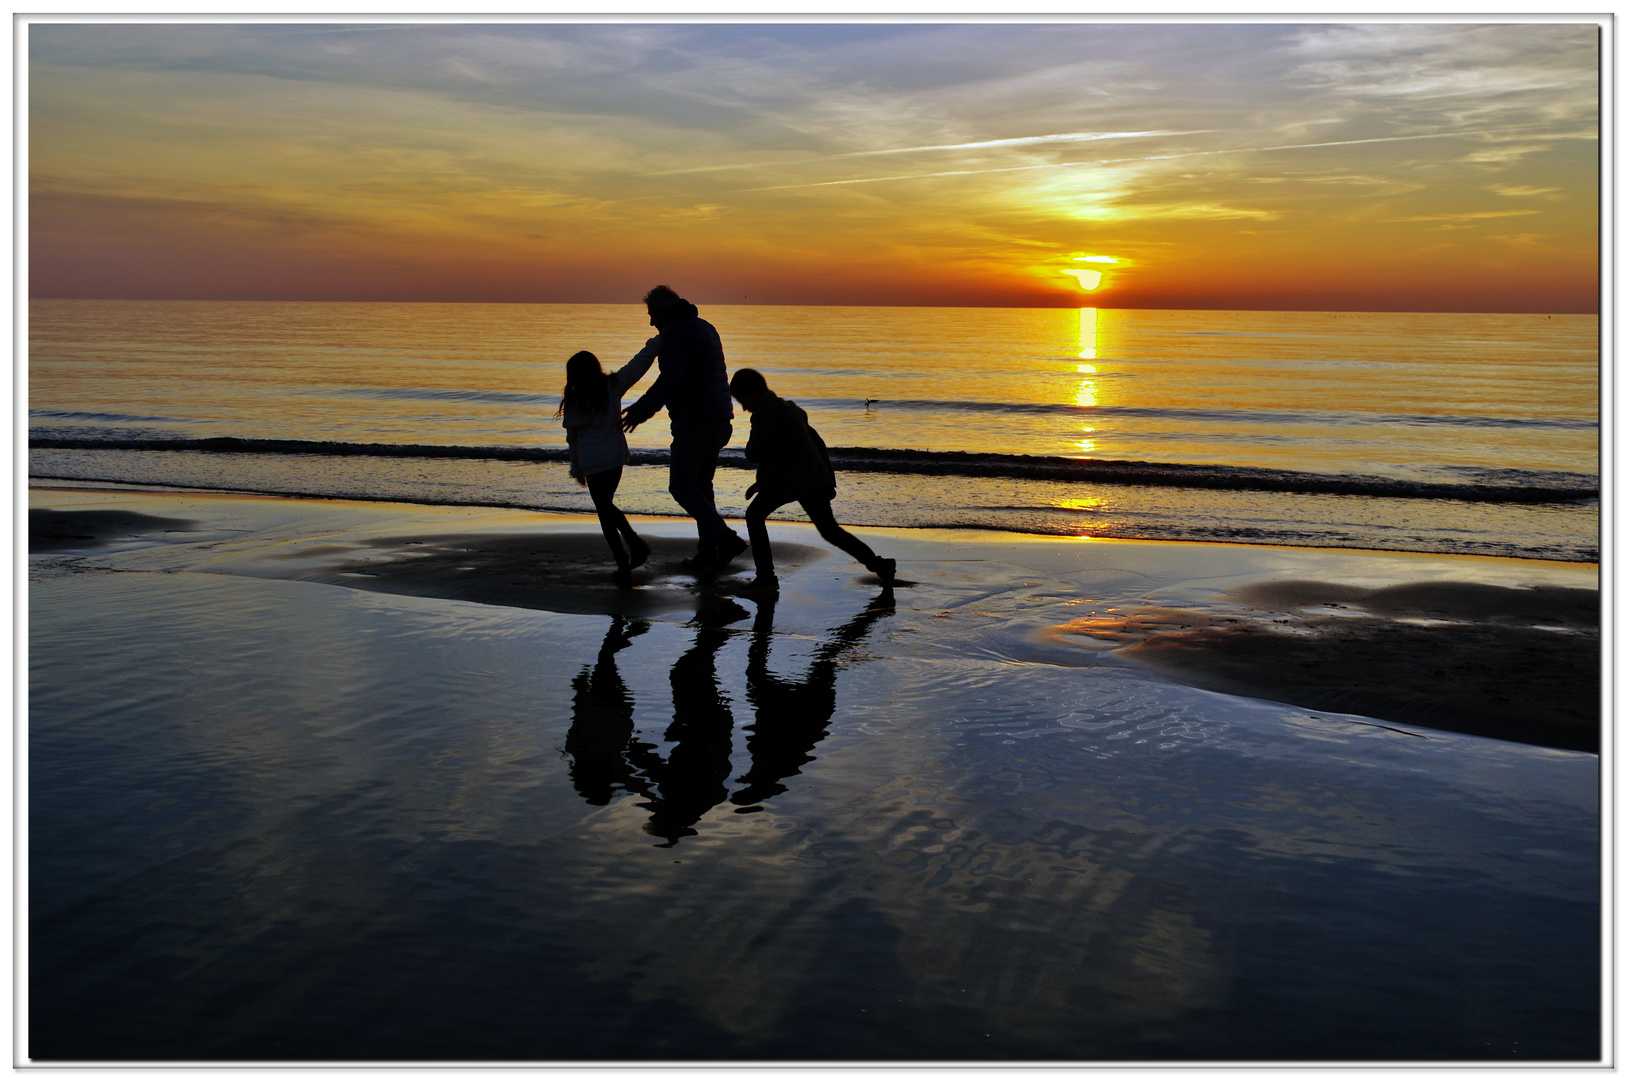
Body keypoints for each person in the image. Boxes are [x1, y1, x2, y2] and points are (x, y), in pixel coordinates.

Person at [729, 367, 895, 595]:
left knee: (754, 515)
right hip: (810, 477)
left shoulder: (765, 413)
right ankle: (880, 565)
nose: (745, 407)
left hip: (794, 479)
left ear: (755, 392)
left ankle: (766, 577)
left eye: (743, 400)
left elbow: (754, 453)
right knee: (829, 530)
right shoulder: (790, 407)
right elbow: (806, 444)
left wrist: (762, 478)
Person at [620, 286, 748, 574]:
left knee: (681, 486)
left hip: (696, 422)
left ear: (664, 310)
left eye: (652, 314)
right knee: (701, 488)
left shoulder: (679, 333)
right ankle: (707, 552)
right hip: (718, 420)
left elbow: (671, 380)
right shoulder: (704, 327)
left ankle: (726, 541)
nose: (651, 322)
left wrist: (640, 411)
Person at [558, 339, 659, 583]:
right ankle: (631, 551)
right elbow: (637, 365)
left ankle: (628, 556)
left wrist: (577, 467)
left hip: (594, 464)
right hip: (613, 460)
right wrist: (657, 344)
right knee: (605, 508)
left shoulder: (575, 399)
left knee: (604, 510)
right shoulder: (611, 386)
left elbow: (573, 439)